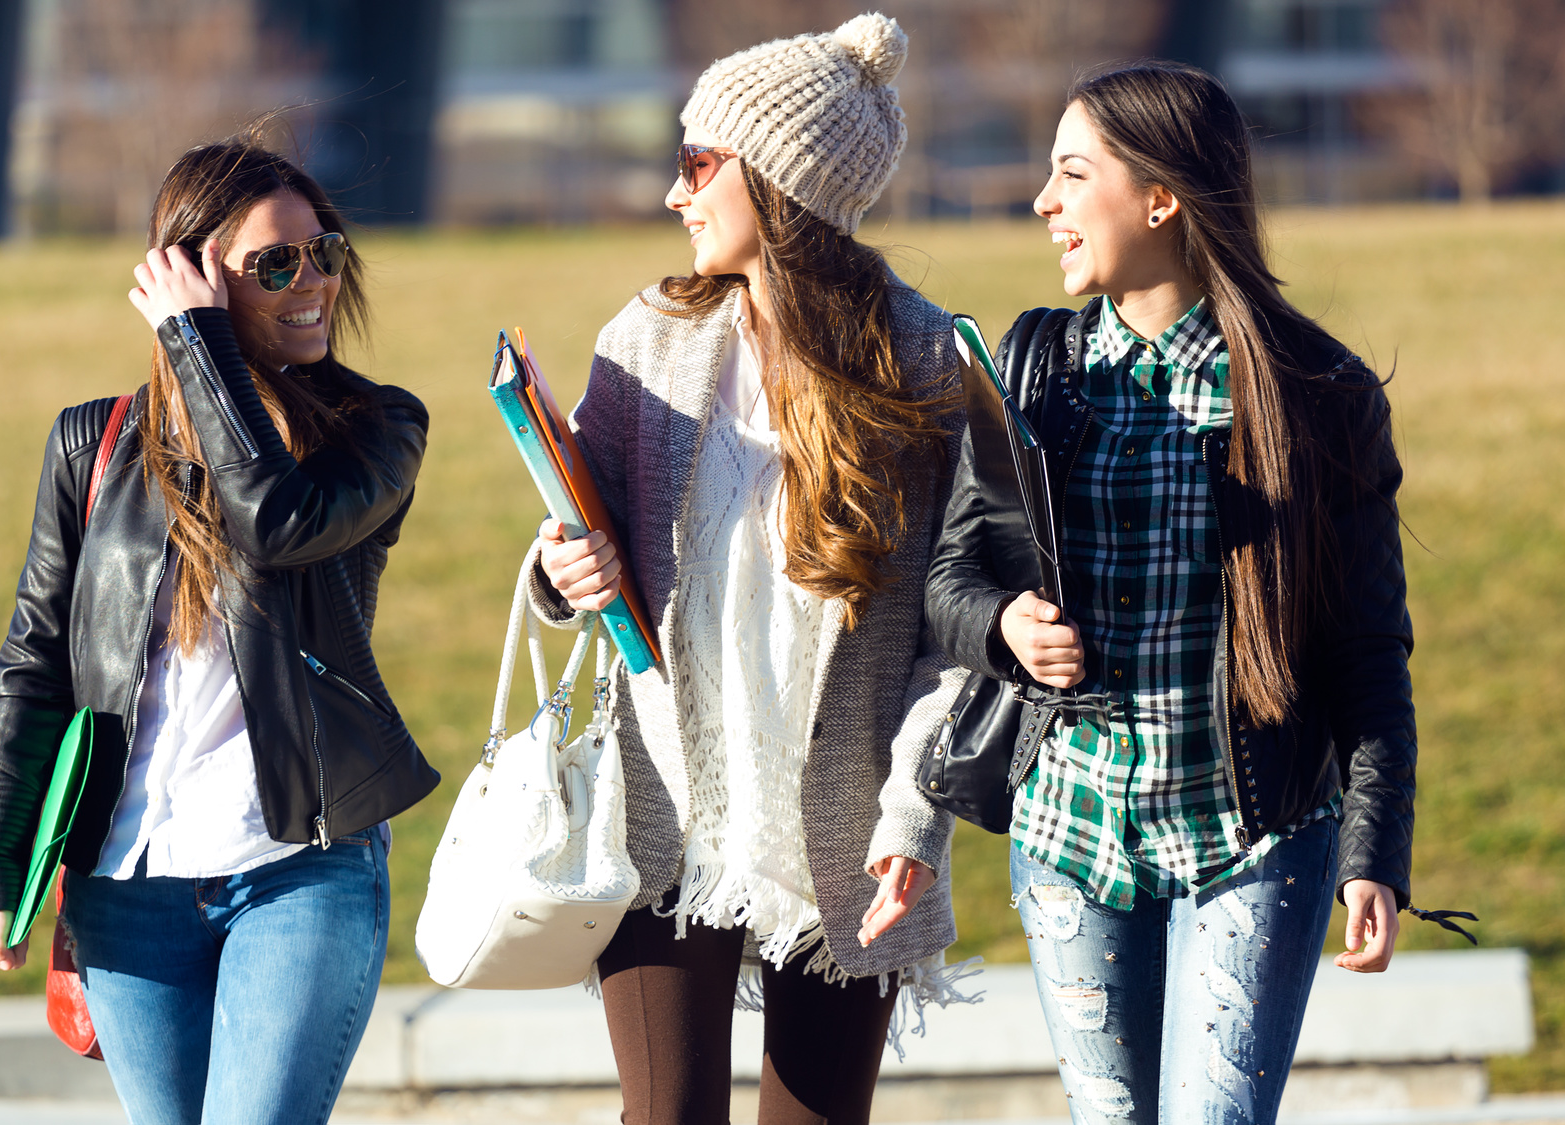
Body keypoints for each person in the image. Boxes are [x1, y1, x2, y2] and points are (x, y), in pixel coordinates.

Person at [925, 62, 1426, 1124]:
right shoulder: (1033, 365)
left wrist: (1372, 854)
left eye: (1070, 175)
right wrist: (1004, 626)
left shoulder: (1315, 395)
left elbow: (1367, 649)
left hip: (1252, 840)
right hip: (1068, 838)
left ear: (1160, 198)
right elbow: (951, 580)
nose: (1041, 203)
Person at [528, 14, 972, 1125]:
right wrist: (556, 568)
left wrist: (913, 817)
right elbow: (574, 535)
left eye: (695, 164)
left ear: (777, 182)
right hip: (665, 804)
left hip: (843, 831)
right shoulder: (649, 340)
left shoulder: (920, 361)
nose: (674, 194)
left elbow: (948, 633)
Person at [0, 138, 438, 1125]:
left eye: (324, 251)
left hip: (296, 869)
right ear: (187, 275)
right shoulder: (93, 445)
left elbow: (276, 520)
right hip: (125, 884)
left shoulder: (375, 429)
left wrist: (198, 344)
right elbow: (37, 669)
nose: (313, 283)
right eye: (275, 264)